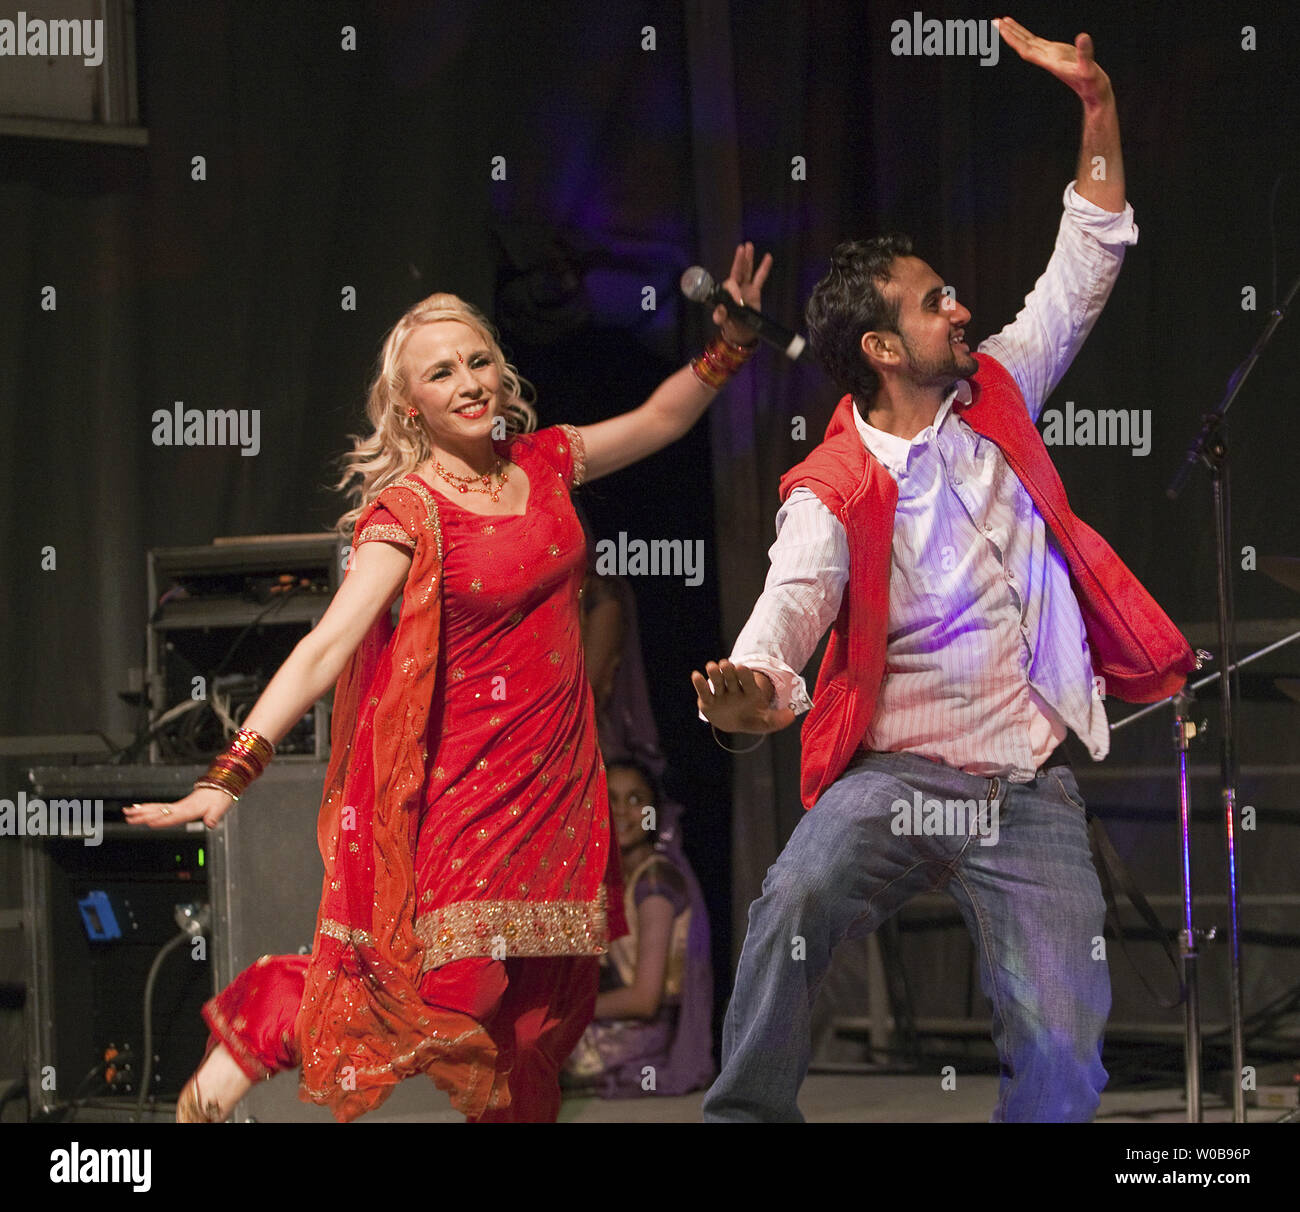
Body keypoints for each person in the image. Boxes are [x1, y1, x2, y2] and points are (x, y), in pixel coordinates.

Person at [125, 241, 772, 1123]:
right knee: (444, 996)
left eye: (478, 361)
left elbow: (661, 418)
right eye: (442, 372)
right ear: (410, 404)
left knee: (536, 1026)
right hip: (467, 795)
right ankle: (267, 1020)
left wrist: (726, 345)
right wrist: (227, 775)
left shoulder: (544, 462)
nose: (468, 381)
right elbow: (324, 649)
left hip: (561, 788)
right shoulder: (411, 512)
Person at [692, 18, 1195, 1123]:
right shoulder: (832, 482)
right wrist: (752, 688)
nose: (961, 307)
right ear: (881, 348)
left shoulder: (1000, 392)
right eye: (934, 303)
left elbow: (1089, 258)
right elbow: (790, 611)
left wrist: (1096, 108)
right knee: (793, 902)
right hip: (899, 780)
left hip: (1023, 784)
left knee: (1063, 1046)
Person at [561, 757, 714, 1097]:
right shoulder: (611, 877)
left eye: (635, 800)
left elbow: (644, 999)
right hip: (615, 1022)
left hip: (644, 1034)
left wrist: (569, 1009)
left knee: (537, 1047)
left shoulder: (655, 882)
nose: (621, 812)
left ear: (654, 812)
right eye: (610, 799)